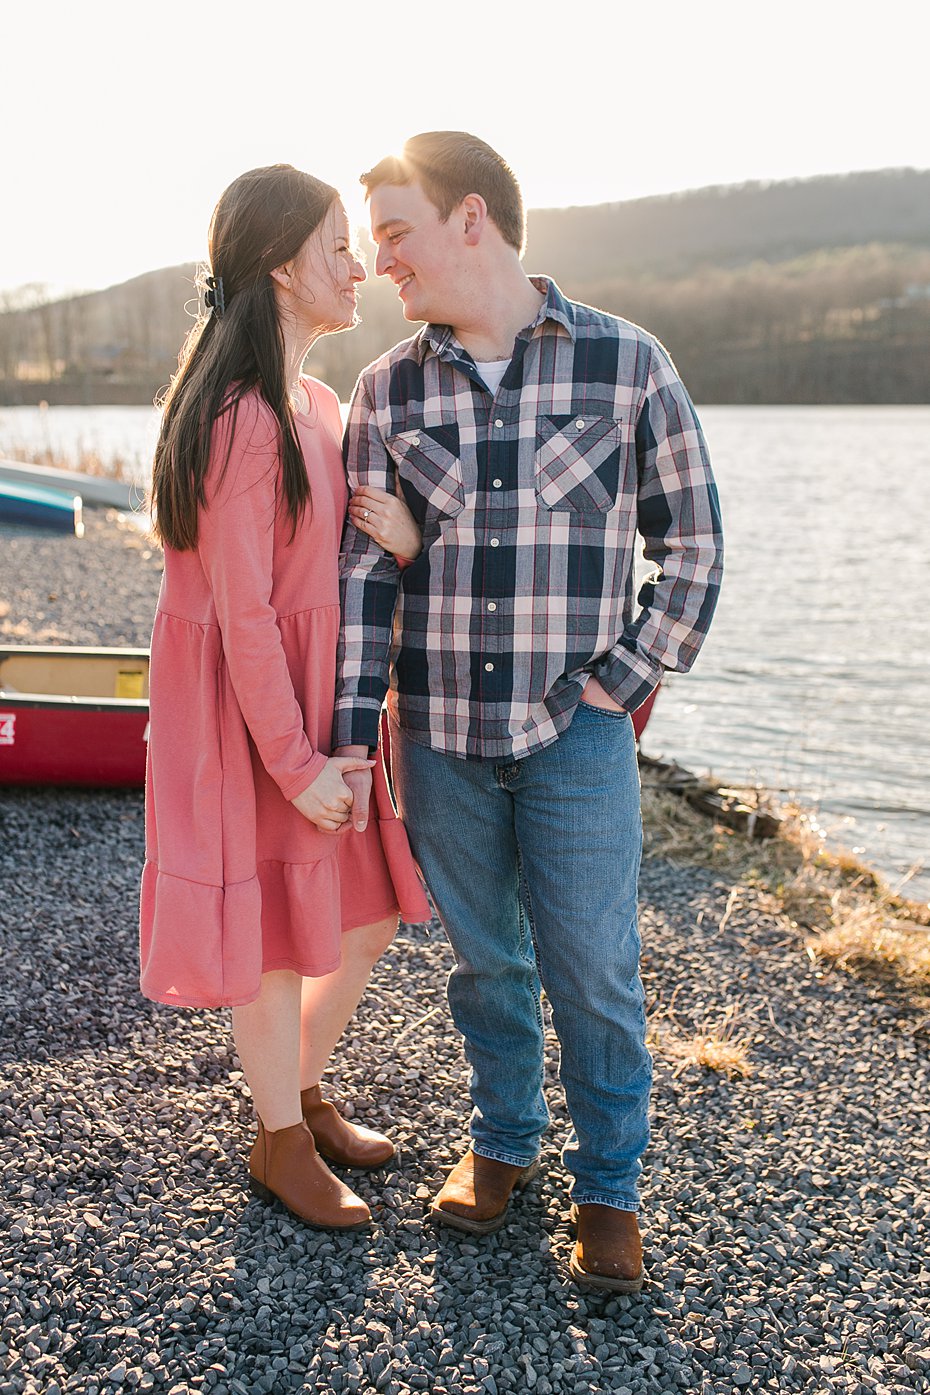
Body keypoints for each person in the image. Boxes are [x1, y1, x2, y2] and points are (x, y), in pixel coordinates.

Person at [335, 132, 724, 1290]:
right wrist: (356, 737)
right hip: (440, 731)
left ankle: (610, 1183)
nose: (381, 262)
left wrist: (625, 679)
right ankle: (503, 1138)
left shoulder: (626, 362)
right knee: (484, 963)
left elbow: (694, 548)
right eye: (372, 244)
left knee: (594, 965)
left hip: (577, 732)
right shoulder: (386, 389)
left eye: (396, 233)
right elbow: (366, 583)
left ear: (471, 219)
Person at [140, 164, 422, 1231]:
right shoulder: (239, 416)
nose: (358, 266)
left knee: (370, 910)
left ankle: (296, 1089)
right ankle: (278, 1138)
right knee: (269, 936)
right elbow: (245, 616)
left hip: (321, 698)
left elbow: (341, 563)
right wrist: (296, 765)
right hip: (247, 712)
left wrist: (409, 537)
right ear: (277, 267)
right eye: (337, 245)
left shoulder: (313, 400)